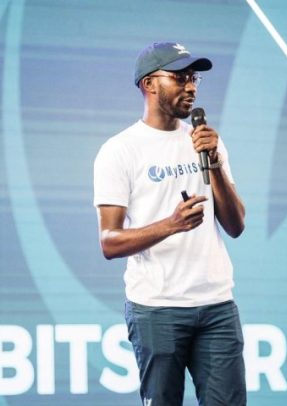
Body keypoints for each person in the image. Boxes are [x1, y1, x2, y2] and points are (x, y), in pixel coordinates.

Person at [94, 41, 246, 405]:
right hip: (156, 309)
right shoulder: (120, 150)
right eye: (179, 77)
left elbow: (236, 225)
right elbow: (109, 242)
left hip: (216, 305)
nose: (190, 86)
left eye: (193, 78)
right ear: (149, 83)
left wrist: (213, 161)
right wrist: (171, 224)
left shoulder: (205, 141)